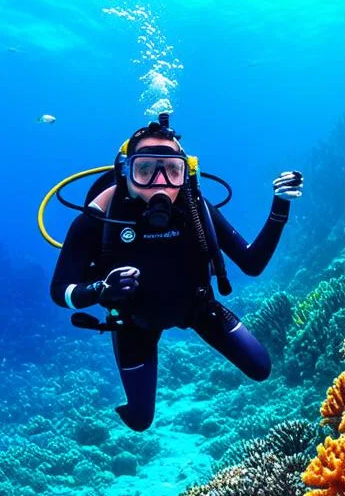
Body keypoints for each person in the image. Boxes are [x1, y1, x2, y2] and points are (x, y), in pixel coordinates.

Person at [49, 114, 303, 431]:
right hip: (133, 323)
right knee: (141, 421)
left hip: (198, 308)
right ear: (126, 171)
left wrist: (280, 206)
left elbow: (252, 264)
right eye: (145, 169)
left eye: (172, 170)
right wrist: (100, 290)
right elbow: (60, 290)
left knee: (261, 368)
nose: (160, 182)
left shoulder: (197, 209)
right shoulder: (97, 220)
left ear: (186, 172)